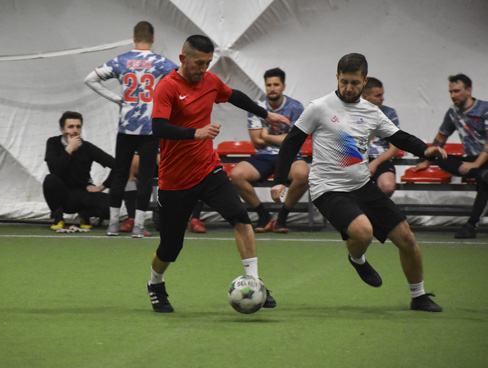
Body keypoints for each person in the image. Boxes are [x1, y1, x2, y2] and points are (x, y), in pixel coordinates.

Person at [271, 53, 447, 312]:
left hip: (362, 186)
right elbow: (291, 142)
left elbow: (399, 137)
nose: (348, 88)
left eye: (354, 83)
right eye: (344, 82)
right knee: (363, 231)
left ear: (364, 81)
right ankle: (357, 258)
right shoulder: (319, 107)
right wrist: (279, 181)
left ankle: (419, 296)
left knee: (407, 238)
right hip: (328, 189)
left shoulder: (371, 112)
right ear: (337, 77)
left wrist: (425, 149)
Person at [146, 34, 290, 313]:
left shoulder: (210, 81)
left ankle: (254, 281)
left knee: (241, 217)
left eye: (208, 63)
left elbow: (234, 96)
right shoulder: (167, 87)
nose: (203, 69)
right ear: (183, 58)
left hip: (208, 169)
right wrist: (195, 133)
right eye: (198, 63)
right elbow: (158, 127)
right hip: (175, 181)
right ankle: (155, 283)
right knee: (170, 248)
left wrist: (266, 114)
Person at [84, 21, 178, 238]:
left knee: (120, 175)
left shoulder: (122, 60)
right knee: (145, 178)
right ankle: (138, 226)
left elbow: (91, 79)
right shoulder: (160, 62)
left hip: (126, 126)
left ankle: (113, 225)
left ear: (133, 38)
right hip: (149, 128)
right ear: (153, 39)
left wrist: (117, 99)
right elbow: (181, 81)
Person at [230, 67, 308, 233]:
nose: (272, 88)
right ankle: (263, 215)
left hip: (291, 156)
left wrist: (266, 136)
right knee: (236, 175)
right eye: (269, 85)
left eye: (276, 84)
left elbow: (293, 142)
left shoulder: (295, 107)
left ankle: (282, 216)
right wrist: (280, 139)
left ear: (283, 86)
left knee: (303, 174)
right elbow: (256, 142)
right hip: (264, 156)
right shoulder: (257, 106)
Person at [414, 74, 488, 239]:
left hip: (485, 159)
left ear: (468, 90)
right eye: (451, 92)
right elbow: (440, 138)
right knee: (441, 157)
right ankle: (482, 174)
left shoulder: (485, 109)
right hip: (472, 161)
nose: (453, 95)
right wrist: (427, 160)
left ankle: (471, 225)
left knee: (484, 182)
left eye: (457, 91)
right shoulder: (453, 112)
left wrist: (476, 164)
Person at [43, 111, 115, 232]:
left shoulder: (87, 147)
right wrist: (69, 149)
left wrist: (102, 187)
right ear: (62, 130)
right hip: (63, 195)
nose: (75, 130)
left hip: (83, 193)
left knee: (112, 207)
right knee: (50, 179)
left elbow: (117, 165)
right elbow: (54, 169)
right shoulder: (53, 143)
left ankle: (85, 215)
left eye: (78, 127)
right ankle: (58, 218)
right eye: (71, 127)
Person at [361, 77, 400, 197]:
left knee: (387, 186)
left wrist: (375, 163)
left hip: (380, 158)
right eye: (378, 96)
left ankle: (373, 208)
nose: (382, 98)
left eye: (382, 94)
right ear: (365, 97)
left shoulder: (389, 113)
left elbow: (394, 148)